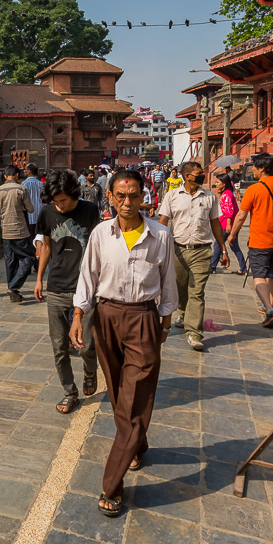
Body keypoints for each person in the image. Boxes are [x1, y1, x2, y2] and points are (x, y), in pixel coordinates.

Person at [69, 169, 178, 518]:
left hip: (144, 318)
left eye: (134, 196)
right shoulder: (102, 233)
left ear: (145, 196)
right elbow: (88, 276)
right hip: (106, 317)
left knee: (132, 403)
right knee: (118, 392)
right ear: (111, 197)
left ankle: (112, 486)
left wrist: (165, 322)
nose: (127, 202)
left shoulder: (160, 235)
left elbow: (168, 280)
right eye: (121, 196)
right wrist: (77, 315)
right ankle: (138, 444)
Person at [35, 169, 102, 414]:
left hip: (85, 288)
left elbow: (98, 246)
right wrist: (40, 278)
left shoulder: (89, 211)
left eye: (63, 200)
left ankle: (90, 370)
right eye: (55, 201)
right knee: (59, 347)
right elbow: (47, 245)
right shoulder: (47, 212)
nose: (59, 206)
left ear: (73, 194)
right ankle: (69, 391)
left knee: (85, 344)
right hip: (56, 287)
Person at [156, 161, 227, 352]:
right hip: (178, 249)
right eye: (198, 173)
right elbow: (163, 222)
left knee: (197, 291)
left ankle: (194, 331)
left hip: (202, 250)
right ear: (186, 176)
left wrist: (223, 249)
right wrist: (158, 247)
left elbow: (215, 224)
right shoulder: (172, 196)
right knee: (180, 286)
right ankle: (183, 312)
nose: (201, 175)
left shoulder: (210, 197)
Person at [228, 153, 273, 328]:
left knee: (259, 276)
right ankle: (270, 306)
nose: (252, 170)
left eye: (254, 167)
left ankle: (269, 309)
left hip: (259, 241)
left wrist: (233, 234)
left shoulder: (253, 190)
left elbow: (241, 216)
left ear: (262, 169)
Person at [0, 165, 33, 302]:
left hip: (6, 231)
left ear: (5, 176)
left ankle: (13, 290)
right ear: (16, 175)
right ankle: (14, 286)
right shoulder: (21, 189)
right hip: (20, 230)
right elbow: (31, 209)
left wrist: (4, 211)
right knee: (30, 257)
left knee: (10, 262)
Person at [210, 173, 246, 275]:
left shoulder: (227, 194)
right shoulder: (227, 193)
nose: (216, 184)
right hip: (230, 224)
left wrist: (229, 224)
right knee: (234, 246)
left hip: (226, 224)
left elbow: (229, 210)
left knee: (218, 244)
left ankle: (212, 266)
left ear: (224, 184)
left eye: (218, 182)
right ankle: (243, 267)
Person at [22, 163, 44, 237]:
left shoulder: (24, 184)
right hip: (40, 215)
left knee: (30, 237)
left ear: (29, 171)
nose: (24, 171)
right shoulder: (41, 184)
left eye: (25, 169)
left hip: (29, 216)